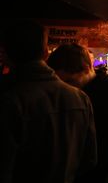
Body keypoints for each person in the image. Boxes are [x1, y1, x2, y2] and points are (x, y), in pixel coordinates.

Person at [0, 19, 97, 183]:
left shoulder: (10, 100)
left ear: (6, 55)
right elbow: (89, 160)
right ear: (45, 52)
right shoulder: (80, 99)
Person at [47, 43, 108, 183]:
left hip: (101, 172)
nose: (68, 87)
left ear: (87, 68)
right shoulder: (77, 92)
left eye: (70, 80)